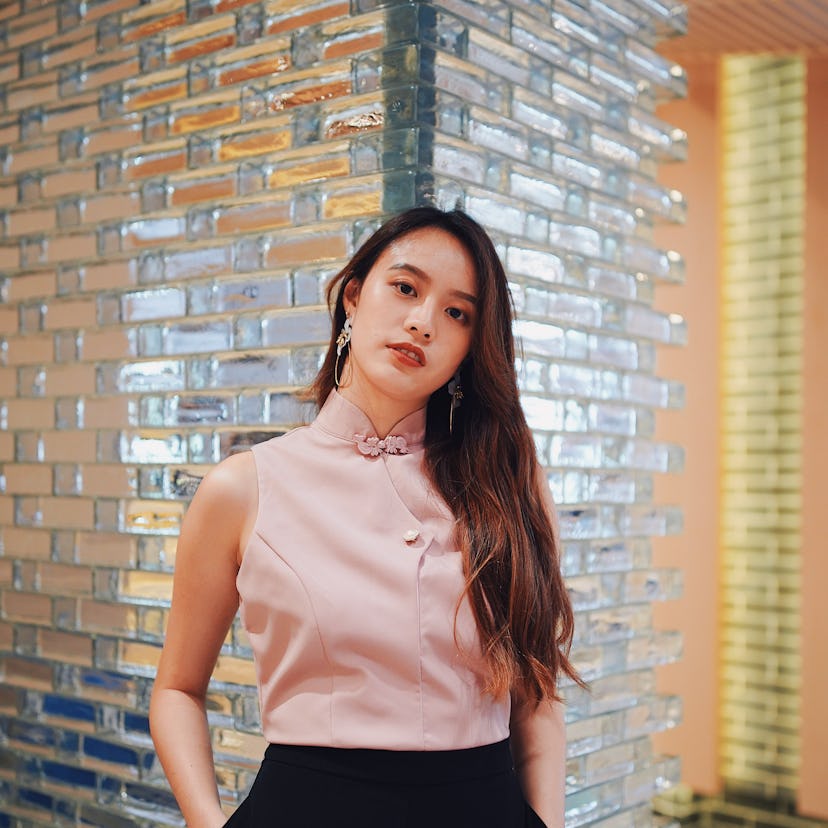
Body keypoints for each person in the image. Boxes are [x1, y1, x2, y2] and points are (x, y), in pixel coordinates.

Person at [149, 207, 581, 828]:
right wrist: (205, 821)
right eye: (405, 288)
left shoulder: (510, 486)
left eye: (457, 313)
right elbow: (177, 690)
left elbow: (535, 702)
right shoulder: (244, 489)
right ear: (353, 297)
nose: (422, 322)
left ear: (470, 346)